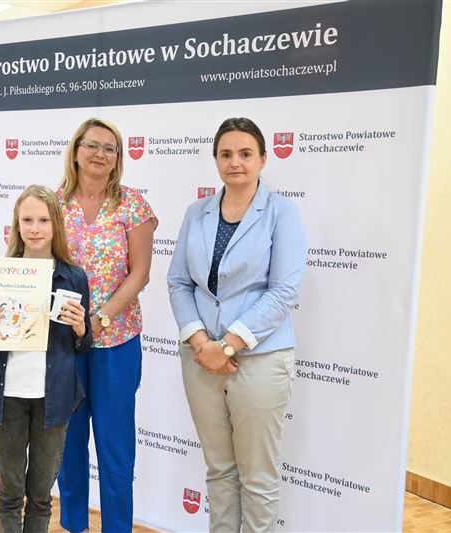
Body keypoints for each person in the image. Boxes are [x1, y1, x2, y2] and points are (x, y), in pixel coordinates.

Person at [167, 117, 308, 532]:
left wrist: (227, 345)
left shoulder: (281, 213)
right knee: (219, 471)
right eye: (226, 154)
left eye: (246, 154)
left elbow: (283, 290)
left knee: (258, 479)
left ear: (263, 159)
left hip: (259, 359)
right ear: (215, 160)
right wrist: (200, 343)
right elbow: (178, 282)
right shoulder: (197, 213)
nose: (235, 162)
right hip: (200, 359)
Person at [0, 185, 92, 533]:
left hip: (54, 398)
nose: (35, 228)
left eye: (43, 220)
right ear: (17, 225)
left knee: (40, 497)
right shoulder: (2, 273)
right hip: (6, 397)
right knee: (9, 494)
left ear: (56, 225)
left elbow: (83, 346)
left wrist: (82, 329)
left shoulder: (74, 277)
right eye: (27, 220)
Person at [55, 118, 156, 533]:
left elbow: (140, 274)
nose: (100, 154)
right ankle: (74, 525)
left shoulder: (132, 204)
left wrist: (100, 319)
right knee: (67, 445)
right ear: (76, 151)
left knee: (116, 450)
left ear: (118, 159)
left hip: (116, 342)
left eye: (110, 148)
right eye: (92, 145)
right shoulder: (54, 203)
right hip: (64, 344)